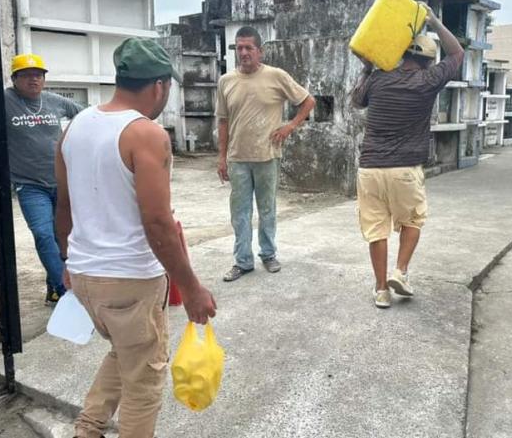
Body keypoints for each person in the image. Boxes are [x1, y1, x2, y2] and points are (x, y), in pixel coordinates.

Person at [55, 38, 217, 438]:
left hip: (87, 278)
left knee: (125, 353)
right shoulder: (146, 134)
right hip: (131, 281)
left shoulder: (75, 127)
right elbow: (159, 224)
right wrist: (191, 287)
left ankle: (87, 430)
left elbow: (63, 207)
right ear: (159, 86)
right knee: (145, 384)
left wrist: (67, 263)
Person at [351, 7, 465, 308]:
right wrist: (435, 21)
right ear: (428, 60)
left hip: (370, 169)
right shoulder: (428, 80)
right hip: (404, 169)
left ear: (401, 54)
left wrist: (367, 67)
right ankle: (400, 271)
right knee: (414, 219)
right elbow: (457, 55)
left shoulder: (377, 79)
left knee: (376, 230)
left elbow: (355, 100)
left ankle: (380, 291)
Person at [0, 53, 82, 304]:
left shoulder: (54, 101)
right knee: (44, 234)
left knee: (64, 237)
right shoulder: (1, 100)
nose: (33, 79)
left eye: (38, 75)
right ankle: (66, 291)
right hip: (30, 185)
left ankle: (54, 287)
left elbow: (88, 117)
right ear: (14, 79)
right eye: (26, 75)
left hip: (62, 181)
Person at [216, 26, 316, 282]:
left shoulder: (276, 76)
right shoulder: (226, 81)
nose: (244, 52)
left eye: (249, 47)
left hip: (268, 156)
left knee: (267, 209)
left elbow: (308, 101)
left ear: (260, 51)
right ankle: (243, 261)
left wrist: (290, 126)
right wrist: (221, 157)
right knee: (239, 212)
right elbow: (223, 122)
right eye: (239, 47)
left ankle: (269, 254)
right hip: (237, 158)